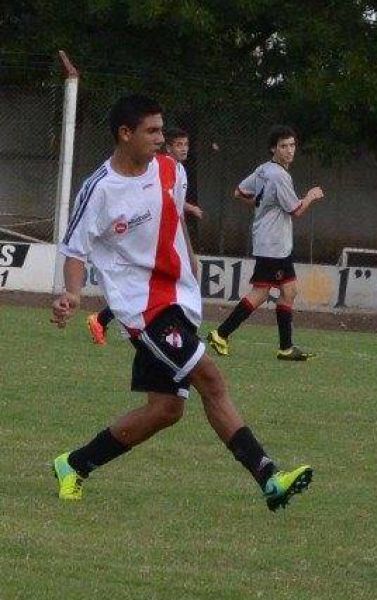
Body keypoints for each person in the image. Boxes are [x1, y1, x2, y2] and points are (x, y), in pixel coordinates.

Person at [51, 95, 312, 510]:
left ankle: (75, 464)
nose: (162, 139)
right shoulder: (99, 189)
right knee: (211, 378)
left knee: (167, 409)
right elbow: (75, 251)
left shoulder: (172, 170)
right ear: (125, 134)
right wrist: (72, 293)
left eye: (162, 129)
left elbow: (171, 217)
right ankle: (269, 477)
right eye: (152, 131)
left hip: (179, 298)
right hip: (142, 309)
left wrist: (188, 255)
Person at [206, 125, 324, 361]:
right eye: (283, 146)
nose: (290, 150)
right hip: (273, 245)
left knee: (289, 291)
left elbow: (240, 192)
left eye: (292, 145)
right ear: (274, 149)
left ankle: (286, 348)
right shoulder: (280, 175)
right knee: (260, 293)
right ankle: (220, 333)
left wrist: (262, 205)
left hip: (273, 242)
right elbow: (296, 210)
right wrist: (310, 196)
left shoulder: (264, 170)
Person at [86, 126, 202, 345]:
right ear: (167, 147)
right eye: (179, 144)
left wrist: (187, 245)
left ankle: (179, 332)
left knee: (153, 289)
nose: (184, 149)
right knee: (146, 289)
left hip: (167, 240)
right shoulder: (156, 168)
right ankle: (173, 335)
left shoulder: (178, 170)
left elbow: (174, 209)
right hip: (149, 242)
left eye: (186, 144)